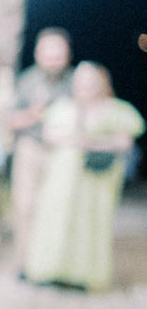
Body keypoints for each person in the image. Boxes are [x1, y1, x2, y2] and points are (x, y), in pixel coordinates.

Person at [24, 62, 144, 290]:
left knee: (91, 224)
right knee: (56, 220)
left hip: (96, 180)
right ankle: (50, 270)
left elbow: (124, 141)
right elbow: (50, 135)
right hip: (63, 177)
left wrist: (89, 141)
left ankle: (85, 276)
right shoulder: (63, 107)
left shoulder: (115, 109)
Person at [10, 27, 73, 264]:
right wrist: (32, 115)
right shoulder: (26, 81)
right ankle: (25, 262)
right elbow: (8, 120)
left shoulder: (74, 81)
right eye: (50, 52)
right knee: (25, 206)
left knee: (60, 208)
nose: (55, 59)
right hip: (31, 147)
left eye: (59, 53)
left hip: (65, 151)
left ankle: (55, 262)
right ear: (38, 53)